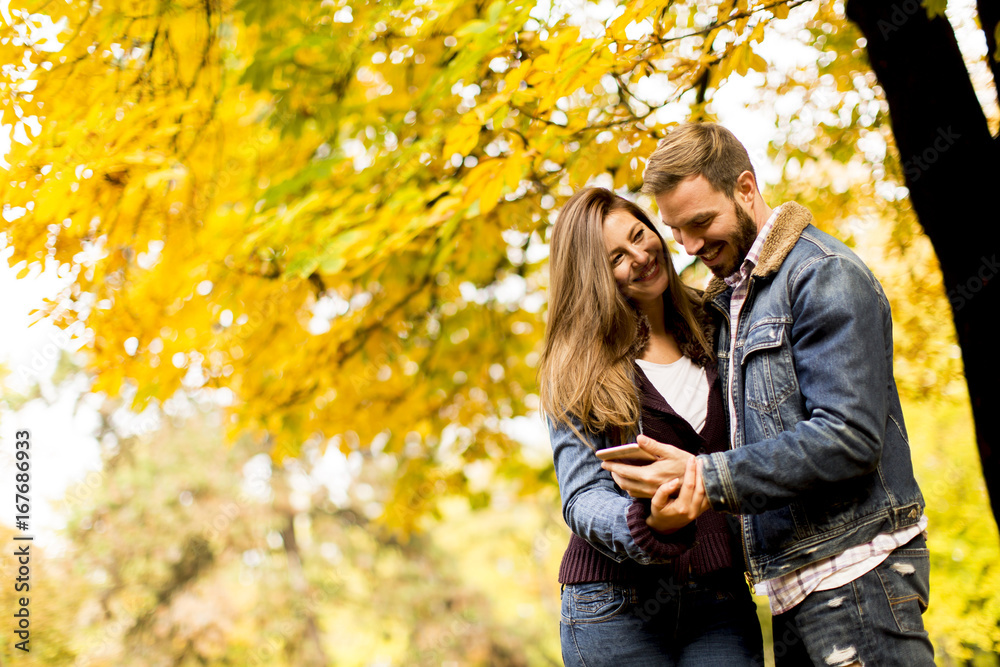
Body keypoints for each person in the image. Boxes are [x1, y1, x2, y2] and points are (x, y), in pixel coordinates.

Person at [604, 122, 932, 666]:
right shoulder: (738, 300)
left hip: (856, 576)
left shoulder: (822, 276)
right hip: (793, 589)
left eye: (701, 223)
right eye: (675, 230)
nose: (688, 246)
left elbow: (847, 438)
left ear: (747, 189)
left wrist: (704, 478)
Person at [539, 187, 764, 667]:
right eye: (617, 258)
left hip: (719, 599)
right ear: (594, 278)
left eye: (640, 236)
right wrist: (647, 524)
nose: (642, 257)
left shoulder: (718, 322)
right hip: (616, 605)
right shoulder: (576, 365)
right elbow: (580, 498)